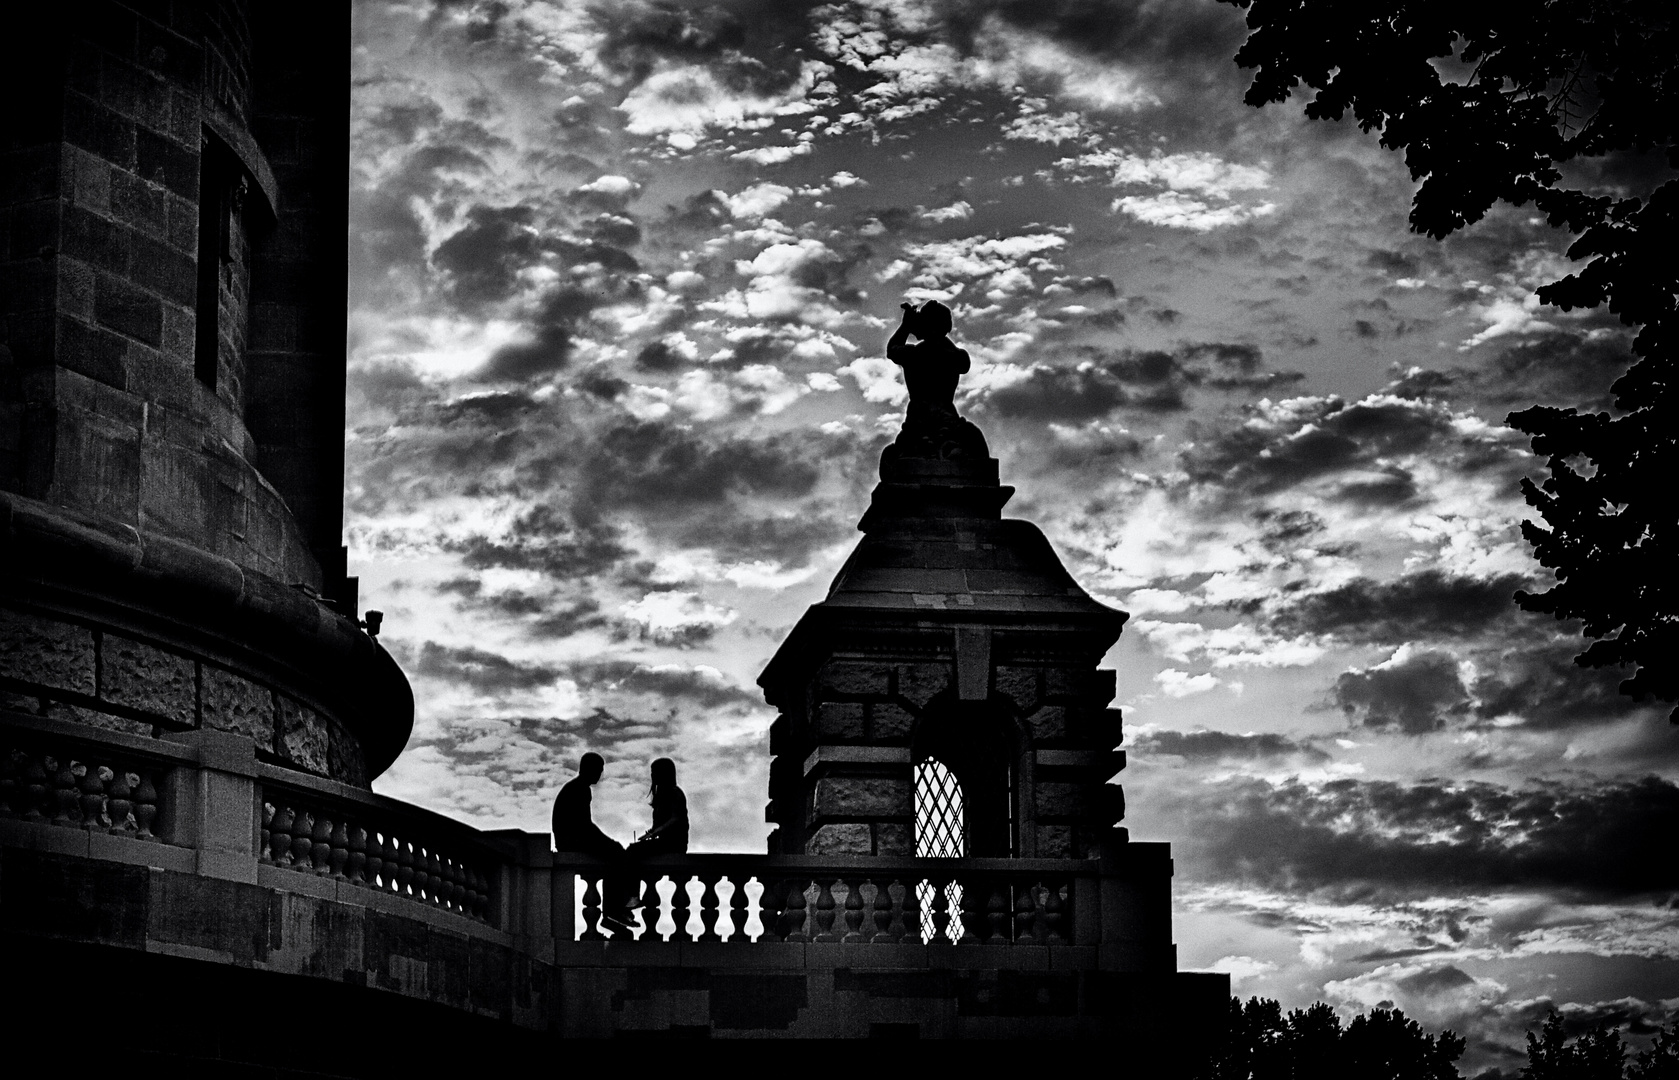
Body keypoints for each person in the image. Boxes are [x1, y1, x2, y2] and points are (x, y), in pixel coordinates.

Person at [884, 300, 987, 460]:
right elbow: (963, 364)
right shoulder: (956, 355)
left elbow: (892, 349)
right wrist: (937, 334)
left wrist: (906, 326)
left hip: (919, 421)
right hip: (948, 418)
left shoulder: (914, 354)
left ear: (927, 326)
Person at [551, 752, 633, 932]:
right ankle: (613, 911)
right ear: (590, 769)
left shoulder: (576, 787)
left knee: (613, 851)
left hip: (569, 839)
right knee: (616, 853)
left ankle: (613, 910)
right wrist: (608, 842)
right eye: (599, 770)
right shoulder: (580, 789)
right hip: (572, 841)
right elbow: (584, 826)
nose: (600, 774)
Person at [627, 758, 689, 857]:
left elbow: (676, 818)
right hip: (663, 843)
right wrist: (652, 831)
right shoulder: (661, 797)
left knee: (633, 850)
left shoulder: (675, 792)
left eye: (655, 772)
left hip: (674, 844)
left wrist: (655, 832)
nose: (652, 775)